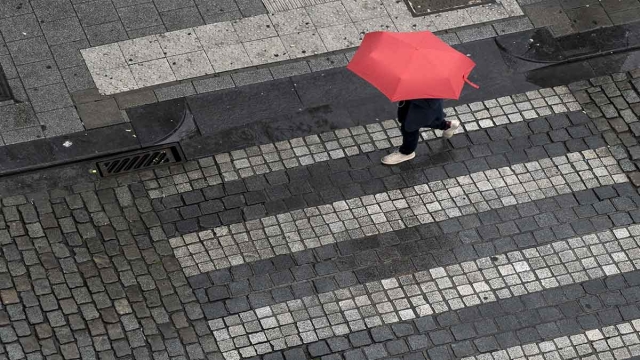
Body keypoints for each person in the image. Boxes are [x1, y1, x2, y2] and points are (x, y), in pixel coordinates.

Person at [381, 98, 460, 165]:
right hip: (419, 100)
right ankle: (447, 125)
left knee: (409, 127)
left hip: (422, 103)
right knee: (420, 120)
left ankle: (407, 152)